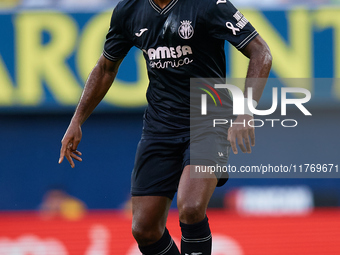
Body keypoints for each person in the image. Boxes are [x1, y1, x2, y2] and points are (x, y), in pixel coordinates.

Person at [58, 0, 272, 254]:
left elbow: (261, 52)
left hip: (208, 119)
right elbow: (106, 67)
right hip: (161, 125)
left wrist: (246, 111)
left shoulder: (208, 5)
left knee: (191, 207)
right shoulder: (129, 10)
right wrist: (77, 120)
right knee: (144, 228)